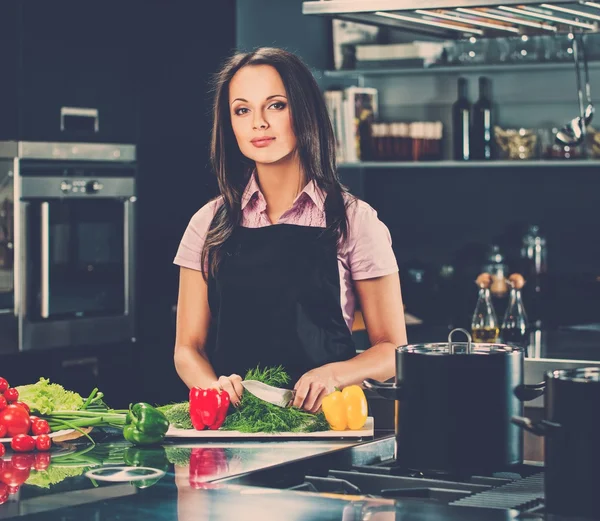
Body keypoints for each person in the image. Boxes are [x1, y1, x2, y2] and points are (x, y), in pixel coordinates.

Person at [173, 47, 406, 413]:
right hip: (234, 429)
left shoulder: (355, 220)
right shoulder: (207, 223)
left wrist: (335, 374)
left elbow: (392, 348)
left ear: (304, 110)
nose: (258, 123)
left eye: (276, 105)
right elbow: (188, 349)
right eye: (242, 109)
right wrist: (213, 387)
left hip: (326, 428)